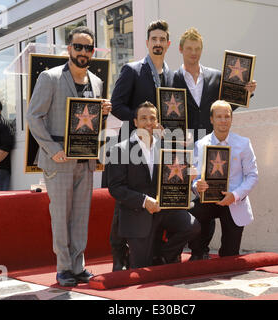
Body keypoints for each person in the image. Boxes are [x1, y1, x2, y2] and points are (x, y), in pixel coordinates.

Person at [26, 26, 112, 287]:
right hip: (58, 159)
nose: (83, 52)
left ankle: (78, 266)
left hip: (84, 159)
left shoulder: (96, 82)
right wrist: (53, 150)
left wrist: (104, 112)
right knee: (61, 215)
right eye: (78, 47)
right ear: (69, 49)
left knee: (80, 215)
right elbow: (33, 117)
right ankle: (63, 268)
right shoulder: (49, 78)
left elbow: (92, 123)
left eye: (88, 48)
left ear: (93, 51)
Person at [109, 20, 174, 271]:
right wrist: (141, 123)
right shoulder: (132, 70)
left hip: (158, 144)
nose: (157, 43)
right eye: (153, 39)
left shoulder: (171, 74)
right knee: (124, 199)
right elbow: (116, 105)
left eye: (162, 40)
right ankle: (118, 253)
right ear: (147, 43)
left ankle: (154, 249)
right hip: (132, 144)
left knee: (152, 193)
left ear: (167, 44)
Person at [107, 101, 200, 268]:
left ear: (157, 122)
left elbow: (173, 179)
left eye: (152, 118)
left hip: (163, 210)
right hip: (137, 212)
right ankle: (132, 256)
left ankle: (164, 255)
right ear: (135, 122)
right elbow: (116, 188)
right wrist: (144, 201)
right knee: (141, 267)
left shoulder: (167, 148)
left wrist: (188, 175)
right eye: (144, 118)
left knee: (192, 226)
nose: (149, 122)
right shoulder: (119, 149)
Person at [189, 100, 258, 260]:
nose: (223, 120)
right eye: (219, 116)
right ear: (211, 119)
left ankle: (226, 255)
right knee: (192, 216)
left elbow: (252, 175)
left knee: (230, 255)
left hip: (233, 200)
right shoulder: (200, 144)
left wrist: (235, 195)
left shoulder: (243, 144)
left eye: (227, 116)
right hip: (207, 201)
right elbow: (195, 179)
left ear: (232, 119)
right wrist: (196, 186)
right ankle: (199, 252)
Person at [173, 27, 257, 143]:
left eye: (197, 49)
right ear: (180, 49)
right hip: (184, 145)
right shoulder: (171, 80)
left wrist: (247, 91)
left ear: (202, 50)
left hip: (213, 143)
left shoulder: (216, 77)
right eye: (189, 48)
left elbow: (227, 105)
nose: (194, 52)